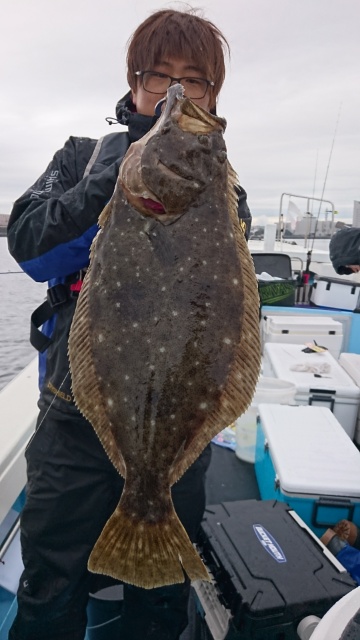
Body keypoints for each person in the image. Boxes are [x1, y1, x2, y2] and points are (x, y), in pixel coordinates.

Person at [7, 8, 252, 640]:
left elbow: (231, 303)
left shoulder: (223, 186)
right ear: (134, 82)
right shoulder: (83, 158)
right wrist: (107, 185)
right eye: (159, 75)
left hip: (177, 418)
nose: (175, 91)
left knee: (164, 596)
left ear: (213, 93)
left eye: (194, 80)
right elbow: (30, 247)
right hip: (75, 410)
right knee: (49, 579)